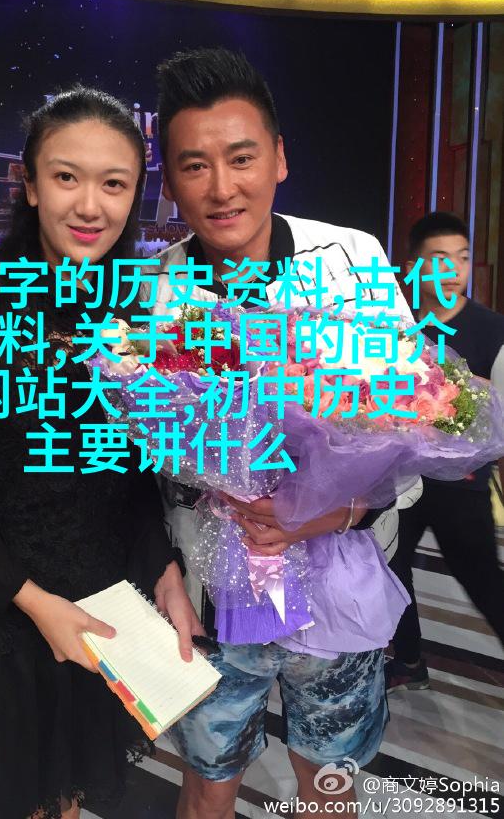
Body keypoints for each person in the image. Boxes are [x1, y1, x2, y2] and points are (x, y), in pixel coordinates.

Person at [0, 87, 201, 819]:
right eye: (66, 177)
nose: (90, 205)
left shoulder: (129, 318)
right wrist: (31, 600)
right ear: (28, 185)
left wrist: (165, 571)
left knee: (63, 804)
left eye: (114, 184)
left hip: (89, 623)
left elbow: (125, 476)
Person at [147, 47, 417, 818]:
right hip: (212, 595)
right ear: (170, 181)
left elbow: (414, 426)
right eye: (194, 166)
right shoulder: (154, 294)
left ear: (280, 158)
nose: (221, 187)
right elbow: (144, 459)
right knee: (206, 784)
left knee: (329, 786)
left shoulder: (352, 260)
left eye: (241, 158)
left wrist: (328, 511)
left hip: (338, 587)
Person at [386, 211, 504, 692]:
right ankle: (409, 661)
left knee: (482, 579)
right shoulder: (396, 325)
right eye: (439, 259)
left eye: (462, 257)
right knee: (391, 569)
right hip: (401, 479)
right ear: (413, 266)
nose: (453, 270)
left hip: (463, 485)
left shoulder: (493, 330)